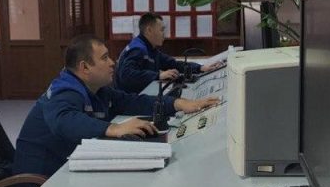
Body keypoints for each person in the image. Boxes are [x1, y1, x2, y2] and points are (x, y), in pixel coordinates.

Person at [14, 34, 220, 178]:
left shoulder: (96, 89)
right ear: (85, 68)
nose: (112, 62)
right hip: (40, 182)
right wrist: (113, 128)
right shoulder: (64, 91)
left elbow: (131, 102)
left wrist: (178, 103)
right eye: (104, 58)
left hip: (65, 168)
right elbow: (63, 121)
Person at [114, 12, 225, 93]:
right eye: (162, 30)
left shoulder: (150, 49)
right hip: (129, 101)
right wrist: (159, 75)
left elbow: (173, 63)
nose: (164, 34)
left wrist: (200, 68)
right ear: (149, 30)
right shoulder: (138, 49)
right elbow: (126, 75)